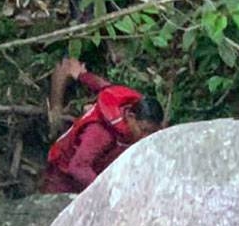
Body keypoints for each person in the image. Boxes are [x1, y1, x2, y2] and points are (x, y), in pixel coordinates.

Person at [41, 58, 164, 194]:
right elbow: (78, 167)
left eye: (151, 133)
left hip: (97, 168)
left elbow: (105, 88)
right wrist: (107, 192)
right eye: (143, 130)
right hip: (63, 175)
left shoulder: (125, 103)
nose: (145, 137)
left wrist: (82, 75)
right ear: (130, 117)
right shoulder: (101, 133)